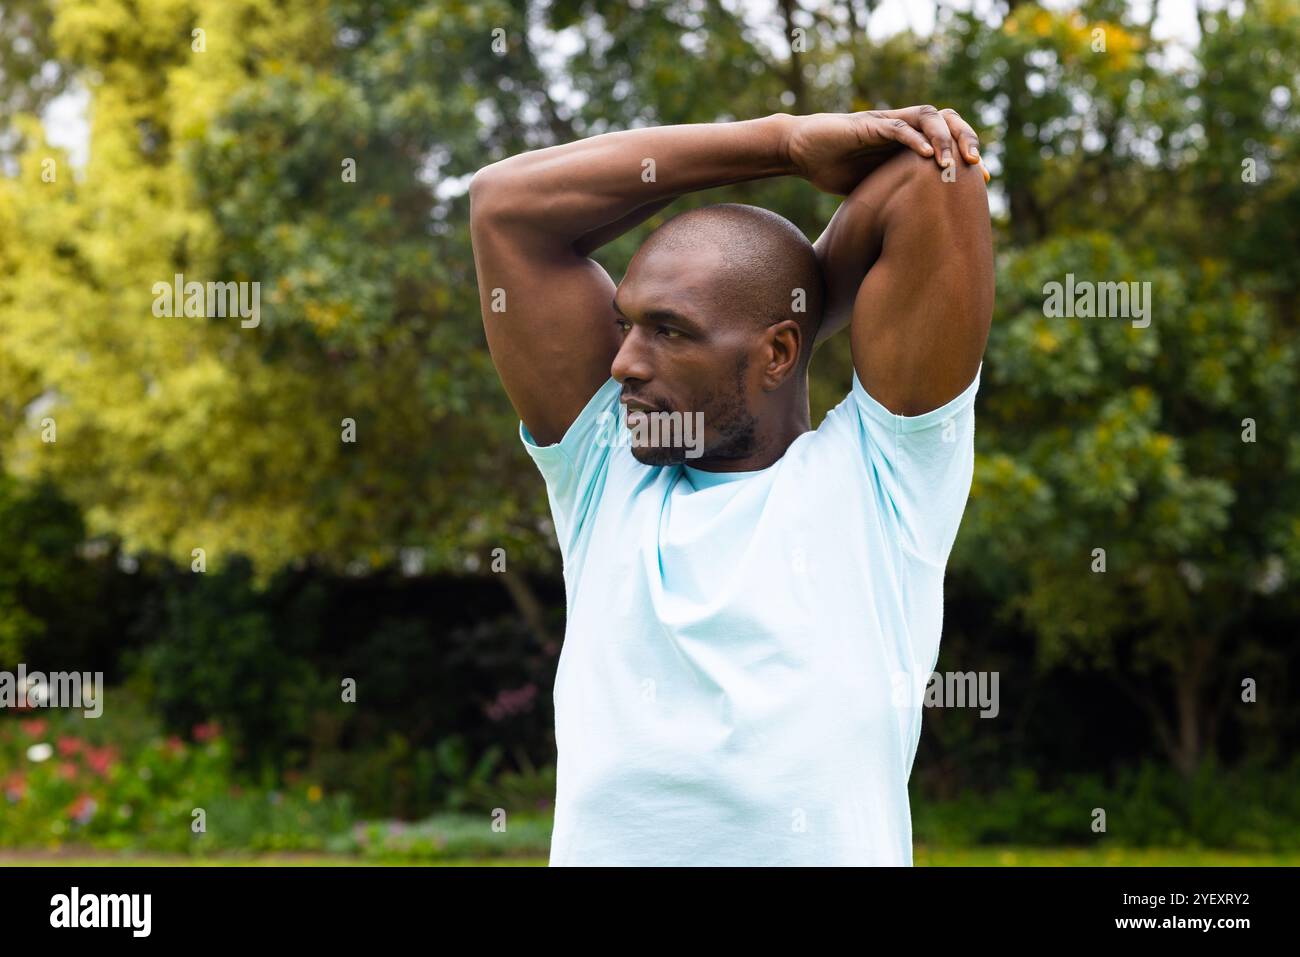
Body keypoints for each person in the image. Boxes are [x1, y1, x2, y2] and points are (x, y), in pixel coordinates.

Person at [469, 106, 994, 865]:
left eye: (670, 330)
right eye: (626, 327)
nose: (623, 364)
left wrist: (797, 307)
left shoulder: (882, 480)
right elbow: (503, 204)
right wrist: (782, 143)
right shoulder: (604, 468)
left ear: (778, 353)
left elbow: (932, 173)